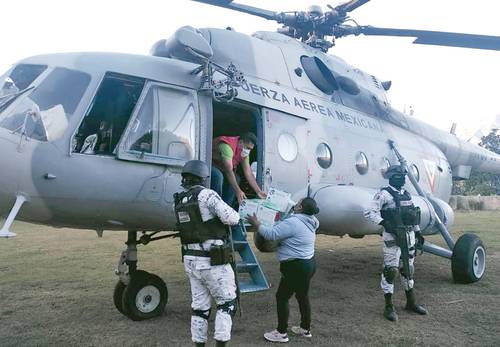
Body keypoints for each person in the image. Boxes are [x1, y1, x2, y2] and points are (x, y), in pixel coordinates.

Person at [174, 160, 240, 347]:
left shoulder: (179, 200)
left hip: (191, 259)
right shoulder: (207, 195)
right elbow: (232, 218)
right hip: (212, 260)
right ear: (203, 178)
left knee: (200, 308)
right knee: (226, 303)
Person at [246, 197, 320, 343]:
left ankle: (281, 333)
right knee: (302, 296)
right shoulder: (311, 221)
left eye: (298, 203)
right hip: (309, 264)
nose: (295, 204)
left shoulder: (294, 222)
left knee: (282, 297)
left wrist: (257, 224)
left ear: (300, 208)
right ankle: (305, 329)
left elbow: (271, 234)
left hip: (295, 267)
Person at [364, 165, 428, 322]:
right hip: (392, 237)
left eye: (404, 176)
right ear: (392, 177)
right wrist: (385, 223)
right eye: (400, 176)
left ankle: (411, 302)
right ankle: (388, 306)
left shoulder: (406, 195)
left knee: (408, 269)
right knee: (390, 271)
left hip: (409, 236)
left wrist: (418, 231)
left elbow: (412, 215)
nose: (403, 179)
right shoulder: (384, 194)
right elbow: (369, 212)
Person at [211, 132, 266, 205]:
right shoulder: (227, 147)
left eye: (250, 149)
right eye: (248, 148)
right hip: (210, 163)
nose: (248, 151)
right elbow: (229, 171)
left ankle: (226, 207)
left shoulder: (244, 153)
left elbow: (248, 173)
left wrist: (258, 191)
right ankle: (215, 204)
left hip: (222, 167)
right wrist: (238, 191)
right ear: (240, 142)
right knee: (218, 176)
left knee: (237, 179)